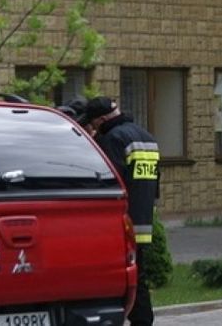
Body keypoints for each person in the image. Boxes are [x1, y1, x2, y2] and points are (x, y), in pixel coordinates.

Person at [79, 96, 161, 326]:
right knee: (138, 275)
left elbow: (110, 181)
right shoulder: (147, 137)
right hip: (144, 219)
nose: (94, 128)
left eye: (94, 124)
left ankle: (141, 320)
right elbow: (155, 183)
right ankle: (142, 320)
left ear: (101, 120)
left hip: (122, 223)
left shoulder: (113, 139)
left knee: (126, 278)